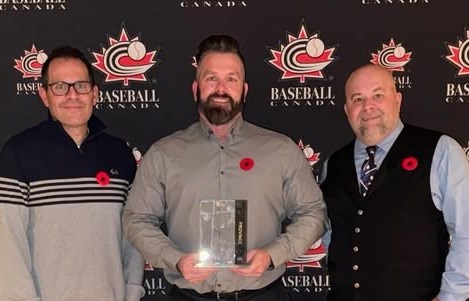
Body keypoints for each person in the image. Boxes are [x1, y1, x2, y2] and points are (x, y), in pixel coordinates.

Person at [122, 34, 326, 301]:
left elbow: (313, 214)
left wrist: (272, 255)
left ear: (244, 89)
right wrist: (176, 260)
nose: (221, 88)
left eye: (231, 78)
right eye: (211, 78)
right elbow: (136, 219)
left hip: (262, 295)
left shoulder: (281, 151)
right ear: (196, 89)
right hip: (188, 296)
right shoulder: (163, 154)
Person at [0, 46, 145, 301]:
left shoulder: (119, 154)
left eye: (81, 86)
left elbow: (132, 236)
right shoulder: (18, 152)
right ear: (44, 95)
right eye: (60, 87)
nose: (72, 95)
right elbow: (8, 242)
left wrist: (132, 290)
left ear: (95, 93)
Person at [320, 63, 469, 301]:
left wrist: (450, 297)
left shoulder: (440, 151)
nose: (368, 106)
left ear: (397, 99)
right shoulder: (334, 164)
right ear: (346, 109)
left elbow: (466, 231)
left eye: (378, 95)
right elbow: (332, 234)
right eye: (357, 99)